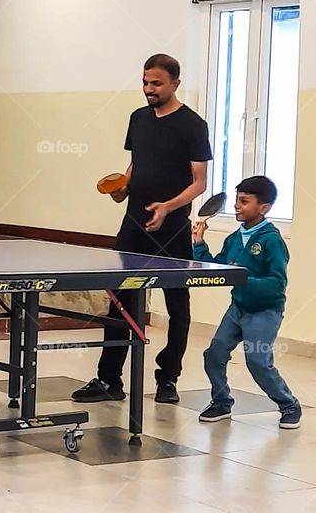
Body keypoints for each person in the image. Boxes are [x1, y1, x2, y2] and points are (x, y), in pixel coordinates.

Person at [73, 54, 212, 404]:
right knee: (120, 302)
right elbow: (137, 163)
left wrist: (167, 207)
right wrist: (123, 187)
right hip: (134, 225)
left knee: (177, 306)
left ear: (175, 84)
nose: (149, 89)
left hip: (173, 228)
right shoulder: (138, 118)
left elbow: (199, 183)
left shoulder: (193, 125)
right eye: (145, 82)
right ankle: (109, 380)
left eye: (157, 84)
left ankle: (168, 379)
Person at [194, 176, 301, 429]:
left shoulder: (271, 240)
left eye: (244, 201)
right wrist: (199, 243)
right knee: (214, 353)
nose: (237, 206)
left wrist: (243, 278)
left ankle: (289, 405)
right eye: (236, 200)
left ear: (264, 208)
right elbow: (217, 267)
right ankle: (221, 402)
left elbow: (277, 283)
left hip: (265, 311)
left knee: (257, 362)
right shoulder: (233, 239)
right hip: (237, 308)